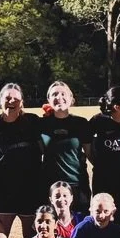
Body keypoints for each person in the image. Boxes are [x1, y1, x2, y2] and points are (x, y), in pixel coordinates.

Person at [0, 83, 46, 238]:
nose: (11, 101)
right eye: (7, 97)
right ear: (0, 100)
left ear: (22, 102)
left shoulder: (33, 122)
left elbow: (45, 148)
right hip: (1, 194)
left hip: (30, 192)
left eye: (16, 98)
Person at [41, 81, 93, 211]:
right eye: (54, 94)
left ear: (71, 99)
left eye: (63, 94)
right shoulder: (40, 124)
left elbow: (90, 154)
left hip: (77, 185)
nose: (59, 97)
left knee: (79, 227)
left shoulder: (81, 123)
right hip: (50, 186)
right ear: (49, 99)